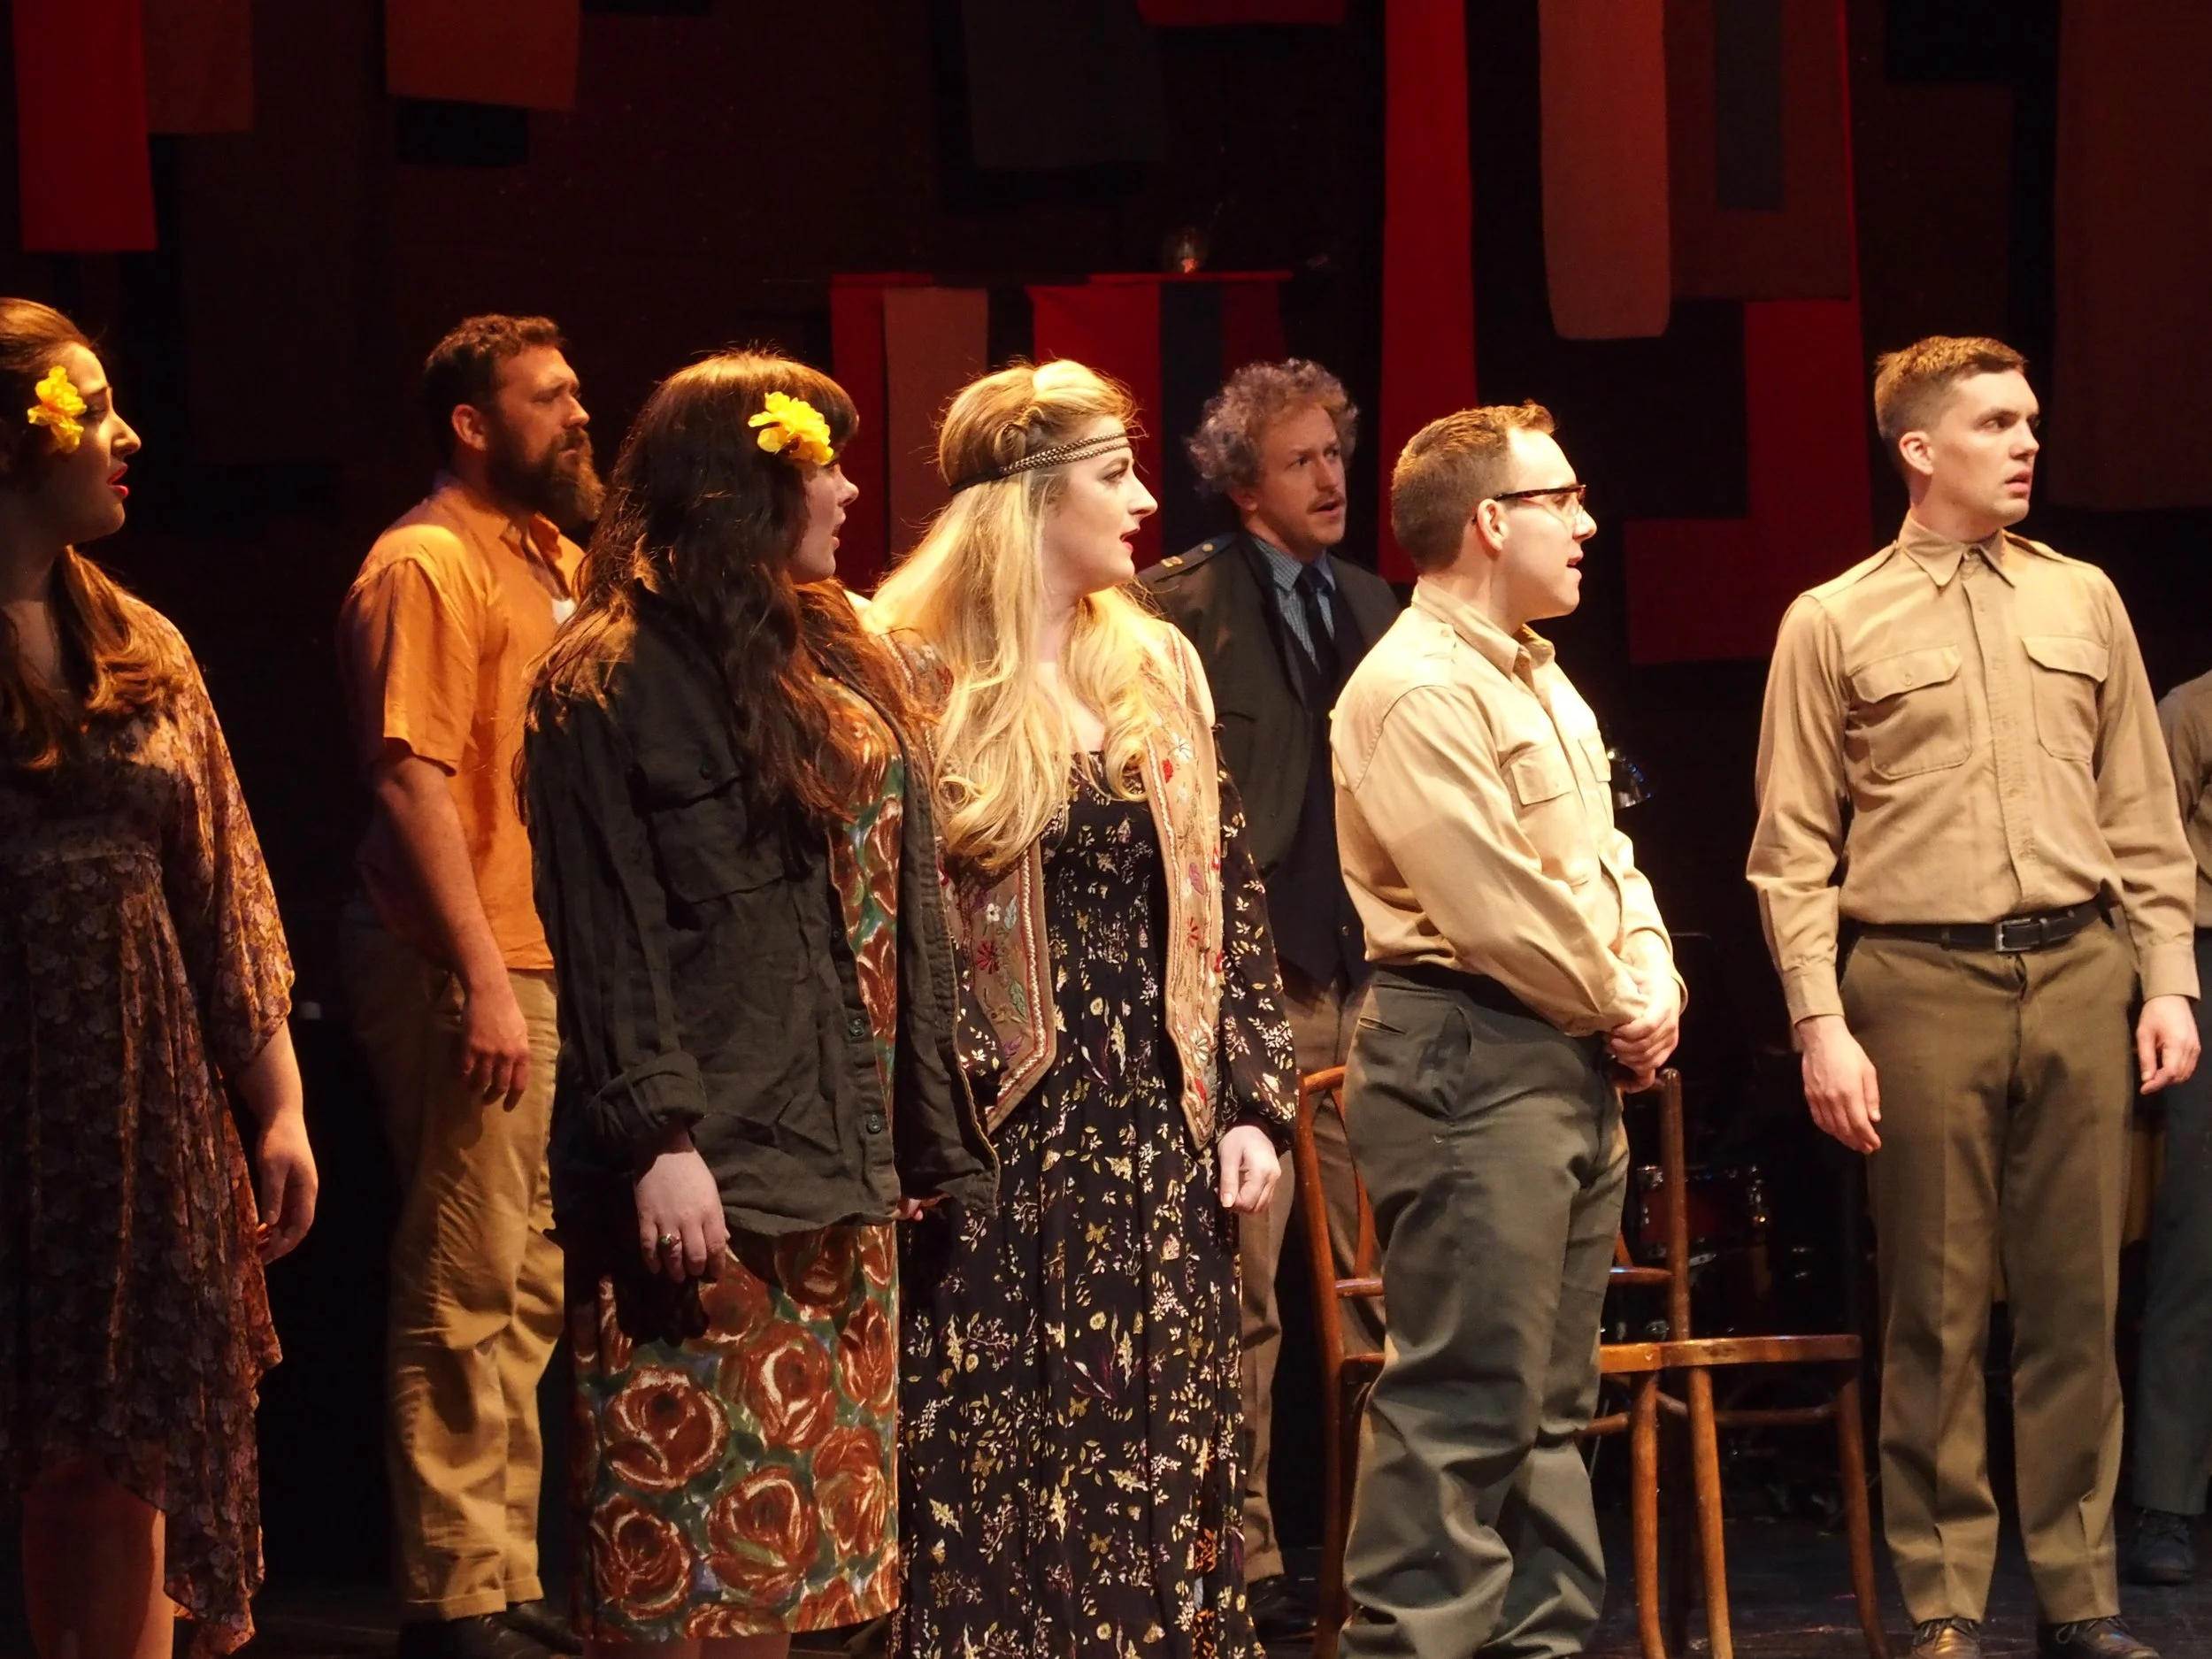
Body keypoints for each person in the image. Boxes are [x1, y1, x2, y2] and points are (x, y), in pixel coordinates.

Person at [524, 351, 995, 1652]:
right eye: (822, 464)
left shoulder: (829, 642)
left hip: (839, 1165)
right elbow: (608, 927)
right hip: (714, 1171)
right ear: (746, 485)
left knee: (816, 1574)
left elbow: (896, 899)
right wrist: (662, 1138)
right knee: (704, 1568)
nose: (848, 487)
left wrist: (914, 1128)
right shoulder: (608, 676)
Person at [1748, 336, 2198, 1659]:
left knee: (2074, 1303)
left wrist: (2165, 977)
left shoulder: (2084, 598)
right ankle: (1944, 1595)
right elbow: (1790, 848)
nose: (2026, 443)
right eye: (1997, 422)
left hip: (2078, 968)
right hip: (1918, 977)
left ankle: (2080, 1592)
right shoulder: (1834, 618)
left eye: (2033, 420)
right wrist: (1820, 1020)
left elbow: (2147, 818)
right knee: (1937, 1309)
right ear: (1919, 449)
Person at [869, 358, 1298, 1659]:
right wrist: (904, 1127)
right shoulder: (912, 669)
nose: (1146, 499)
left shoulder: (1155, 658)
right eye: (1113, 474)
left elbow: (1228, 878)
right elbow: (875, 924)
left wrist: (1249, 1097)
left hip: (1153, 1135)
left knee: (1158, 1455)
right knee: (992, 1456)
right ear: (1026, 496)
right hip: (993, 1136)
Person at [1331, 403, 1681, 1659]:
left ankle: (1536, 1643)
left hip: (1563, 1053)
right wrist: (1616, 999)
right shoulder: (1416, 687)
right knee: (1465, 1393)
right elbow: (1494, 900)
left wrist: (1652, 982)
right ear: (1491, 521)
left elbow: (1604, 863)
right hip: (1474, 1051)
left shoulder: (1540, 675)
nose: (1587, 523)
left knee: (1546, 1397)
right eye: (1563, 499)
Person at [0, 298, 317, 1658]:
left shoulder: (143, 645)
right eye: (93, 403)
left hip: (143, 1113)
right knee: (49, 1457)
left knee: (132, 1456)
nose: (126, 433)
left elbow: (221, 881)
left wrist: (280, 1101)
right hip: (22, 1101)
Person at [337, 314, 600, 1659]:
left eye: (575, 391)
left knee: (529, 1270)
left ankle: (503, 1571)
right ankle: (453, 1590)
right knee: (463, 1267)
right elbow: (408, 772)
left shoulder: (549, 555)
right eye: (546, 397)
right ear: (471, 422)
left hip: (541, 954)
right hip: (462, 955)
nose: (575, 413)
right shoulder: (427, 560)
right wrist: (484, 973)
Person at [1141, 360, 1401, 1642]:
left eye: (1337, 453)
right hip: (1259, 994)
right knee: (1241, 1290)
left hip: (1370, 986)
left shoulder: (1374, 601)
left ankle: (1373, 1554)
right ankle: (1234, 1547)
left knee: (1376, 1291)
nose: (1332, 477)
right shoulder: (1179, 607)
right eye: (1301, 459)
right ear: (1243, 478)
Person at [2128, 664, 2212, 1587]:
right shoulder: (2191, 711)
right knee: (2195, 1248)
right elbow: (2150, 860)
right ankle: (2164, 1499)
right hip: (2206, 967)